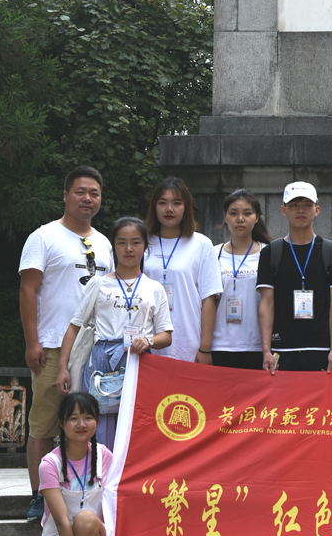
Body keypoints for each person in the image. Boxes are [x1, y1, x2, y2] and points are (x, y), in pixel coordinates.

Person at [19, 166, 111, 521]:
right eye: (80, 192)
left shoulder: (105, 243)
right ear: (65, 195)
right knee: (44, 421)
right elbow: (28, 290)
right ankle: (39, 494)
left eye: (94, 193)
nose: (87, 199)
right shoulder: (44, 237)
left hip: (96, 348)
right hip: (53, 343)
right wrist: (33, 342)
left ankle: (87, 490)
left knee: (88, 421)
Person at [56, 217, 172, 449]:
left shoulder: (154, 288)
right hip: (101, 362)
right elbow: (75, 326)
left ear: (144, 246)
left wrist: (147, 341)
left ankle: (129, 472)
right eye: (122, 242)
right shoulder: (98, 284)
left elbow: (166, 335)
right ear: (113, 246)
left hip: (138, 360)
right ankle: (101, 469)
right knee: (99, 422)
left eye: (135, 242)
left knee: (137, 423)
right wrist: (62, 368)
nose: (129, 248)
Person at [256, 182, 332, 372]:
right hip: (282, 348)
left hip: (320, 347)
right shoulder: (271, 252)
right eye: (294, 205)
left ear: (317, 210)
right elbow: (267, 303)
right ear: (283, 210)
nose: (301, 210)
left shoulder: (330, 251)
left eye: (307, 204)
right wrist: (266, 350)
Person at [34, 392, 112, 536]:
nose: (81, 424)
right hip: (60, 535)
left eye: (88, 417)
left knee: (85, 519)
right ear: (61, 423)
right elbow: (61, 522)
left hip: (93, 534)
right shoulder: (50, 464)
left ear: (97, 420)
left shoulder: (104, 456)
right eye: (73, 418)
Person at [143, 177, 222, 364]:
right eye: (163, 203)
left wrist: (205, 347)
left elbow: (208, 298)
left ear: (186, 207)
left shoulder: (201, 244)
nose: (169, 209)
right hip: (147, 342)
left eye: (177, 203)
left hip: (188, 342)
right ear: (154, 206)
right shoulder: (142, 242)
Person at [211, 189, 272, 369]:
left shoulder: (268, 253)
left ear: (257, 217)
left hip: (258, 346)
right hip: (220, 344)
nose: (240, 219)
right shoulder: (214, 254)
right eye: (233, 213)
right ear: (225, 217)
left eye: (247, 213)